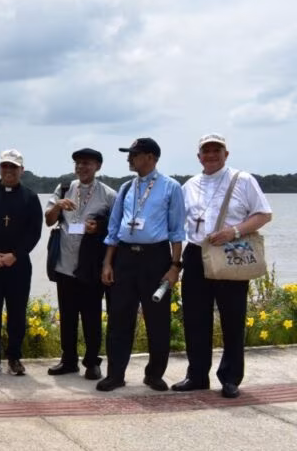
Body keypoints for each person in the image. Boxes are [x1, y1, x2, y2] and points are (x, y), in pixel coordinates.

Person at [174, 133, 272, 398]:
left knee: (232, 317)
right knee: (195, 318)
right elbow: (179, 224)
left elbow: (264, 214)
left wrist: (235, 232)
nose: (211, 155)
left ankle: (230, 378)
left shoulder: (243, 180)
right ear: (199, 156)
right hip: (197, 253)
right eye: (206, 151)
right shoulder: (189, 185)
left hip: (230, 250)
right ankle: (196, 375)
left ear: (226, 154)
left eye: (217, 150)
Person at [98, 138, 186, 392]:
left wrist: (174, 266)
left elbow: (177, 231)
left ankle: (154, 374)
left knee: (157, 320)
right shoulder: (126, 188)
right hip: (125, 258)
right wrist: (107, 263)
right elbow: (113, 229)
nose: (129, 159)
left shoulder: (171, 187)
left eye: (134, 154)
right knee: (118, 318)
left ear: (150, 157)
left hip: (156, 258)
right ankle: (115, 374)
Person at [44, 148, 117, 380]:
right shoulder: (64, 188)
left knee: (92, 316)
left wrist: (99, 228)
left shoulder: (108, 195)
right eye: (77, 163)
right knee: (67, 316)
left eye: (87, 163)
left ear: (98, 167)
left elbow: (117, 230)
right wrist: (58, 206)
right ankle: (68, 360)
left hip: (91, 266)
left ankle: (92, 362)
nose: (81, 168)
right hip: (65, 264)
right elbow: (48, 221)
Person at [0, 150, 43, 376]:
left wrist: (15, 255)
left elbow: (34, 232)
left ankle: (15, 358)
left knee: (17, 314)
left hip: (18, 265)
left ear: (21, 170)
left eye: (13, 167)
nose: (9, 171)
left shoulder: (31, 198)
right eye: (5, 166)